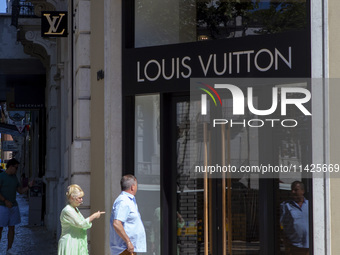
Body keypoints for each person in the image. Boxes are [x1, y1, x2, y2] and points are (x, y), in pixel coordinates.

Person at [58, 184, 105, 255]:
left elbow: (84, 225)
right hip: (70, 243)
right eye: (79, 198)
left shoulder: (75, 209)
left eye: (81, 198)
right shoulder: (67, 210)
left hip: (77, 242)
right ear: (72, 198)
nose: (81, 200)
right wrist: (93, 216)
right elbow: (81, 224)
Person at [0, 158, 32, 253]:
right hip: (2, 206)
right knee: (0, 228)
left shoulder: (14, 178)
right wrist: (5, 201)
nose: (17, 170)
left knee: (12, 228)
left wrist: (29, 186)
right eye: (16, 168)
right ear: (10, 166)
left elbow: (20, 191)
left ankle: (9, 249)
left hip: (13, 206)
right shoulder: (1, 176)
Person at [110, 174, 146, 255]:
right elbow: (117, 223)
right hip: (124, 249)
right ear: (132, 187)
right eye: (136, 185)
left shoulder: (129, 201)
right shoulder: (123, 201)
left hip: (129, 249)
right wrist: (128, 242)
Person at [280, 181, 309, 255]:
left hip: (310, 245)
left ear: (303, 191)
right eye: (292, 190)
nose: (293, 192)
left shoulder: (310, 205)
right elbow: (281, 225)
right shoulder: (286, 206)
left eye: (296, 190)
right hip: (294, 246)